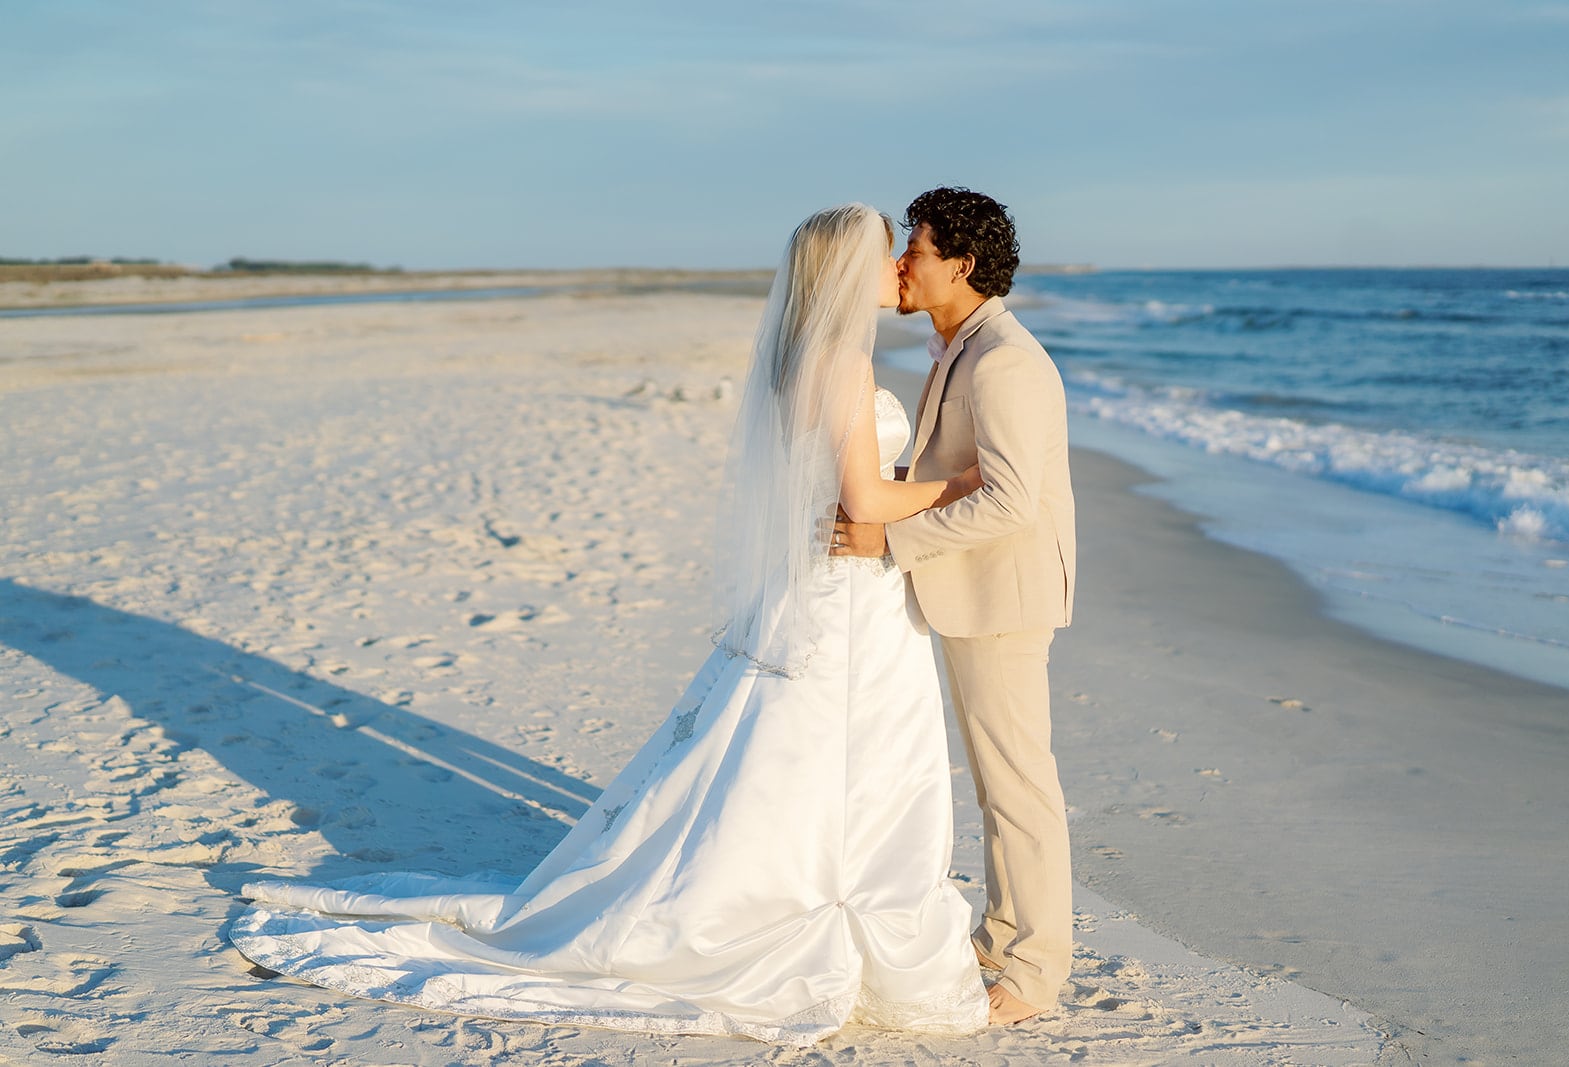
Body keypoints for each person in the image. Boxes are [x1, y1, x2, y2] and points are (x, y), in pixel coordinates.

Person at [228, 204, 990, 1046]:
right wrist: (964, 486)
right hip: (847, 594)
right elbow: (868, 501)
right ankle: (811, 907)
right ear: (849, 273)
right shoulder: (843, 365)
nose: (896, 272)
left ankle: (797, 890)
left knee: (792, 754)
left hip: (817, 586)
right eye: (888, 258)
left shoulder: (797, 359)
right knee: (849, 755)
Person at [831, 187, 1076, 1024]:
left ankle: (1034, 970)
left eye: (917, 248)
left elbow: (1010, 501)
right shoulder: (955, 344)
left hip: (1001, 594)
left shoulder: (1003, 358)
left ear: (961, 266)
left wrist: (887, 543)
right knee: (996, 781)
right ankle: (1003, 935)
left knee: (1017, 785)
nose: (903, 261)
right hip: (972, 585)